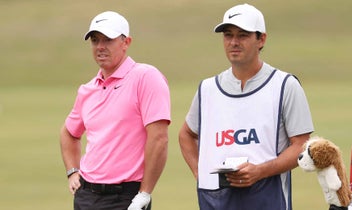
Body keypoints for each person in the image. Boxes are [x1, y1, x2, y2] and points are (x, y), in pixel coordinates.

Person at [178, 4, 314, 210]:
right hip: (215, 200)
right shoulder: (207, 89)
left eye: (242, 35)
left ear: (261, 40)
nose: (233, 42)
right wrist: (201, 173)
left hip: (268, 197)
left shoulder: (285, 85)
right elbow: (186, 135)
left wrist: (260, 171)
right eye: (228, 35)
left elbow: (301, 146)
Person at [60, 11, 171, 210]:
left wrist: (144, 194)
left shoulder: (145, 77)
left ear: (126, 42)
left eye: (108, 40)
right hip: (86, 195)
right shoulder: (88, 89)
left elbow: (159, 138)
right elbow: (69, 133)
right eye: (95, 40)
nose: (100, 47)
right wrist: (72, 172)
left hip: (126, 197)